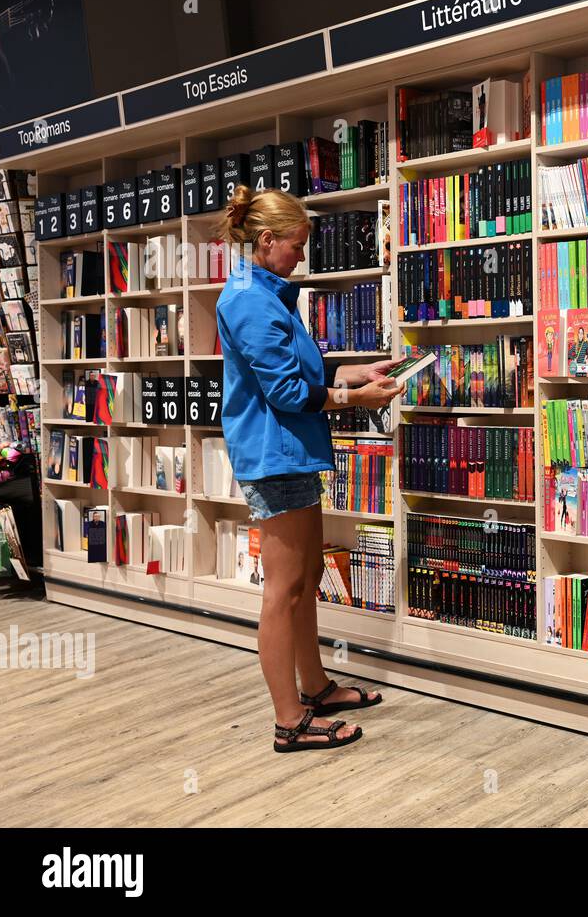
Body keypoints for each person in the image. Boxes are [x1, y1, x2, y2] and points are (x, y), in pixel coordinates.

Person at [215, 185, 403, 753]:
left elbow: (310, 368)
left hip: (290, 452)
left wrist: (355, 371)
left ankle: (315, 687)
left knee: (303, 582)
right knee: (283, 587)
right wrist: (357, 401)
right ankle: (288, 721)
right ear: (266, 240)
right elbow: (290, 391)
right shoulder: (247, 300)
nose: (301, 255)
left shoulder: (268, 293)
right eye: (295, 244)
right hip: (273, 456)